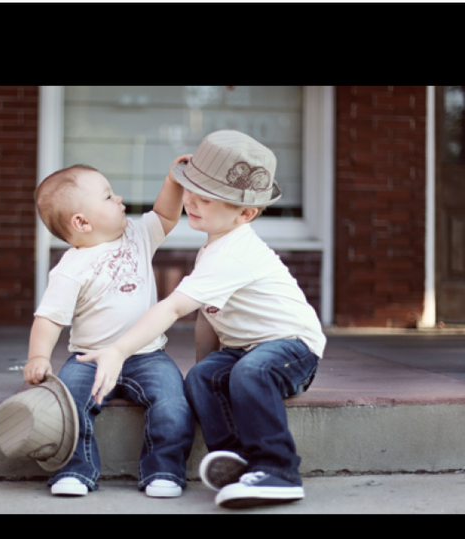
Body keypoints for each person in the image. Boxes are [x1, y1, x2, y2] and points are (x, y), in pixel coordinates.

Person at [78, 130, 326, 509]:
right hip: (246, 350)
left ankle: (278, 470)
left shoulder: (235, 252)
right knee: (201, 376)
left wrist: (118, 350)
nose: (190, 201)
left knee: (250, 372)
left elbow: (174, 308)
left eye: (205, 198)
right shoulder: (214, 246)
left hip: (293, 348)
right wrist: (205, 373)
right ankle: (235, 458)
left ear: (245, 213)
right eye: (189, 189)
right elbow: (207, 319)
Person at [24, 154, 196, 499]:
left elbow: (164, 214)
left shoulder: (136, 235)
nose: (118, 199)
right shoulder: (71, 268)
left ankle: (163, 468)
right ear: (82, 222)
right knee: (68, 406)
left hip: (147, 355)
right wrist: (38, 357)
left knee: (174, 402)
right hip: (89, 358)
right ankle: (75, 469)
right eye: (107, 196)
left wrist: (173, 182)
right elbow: (49, 317)